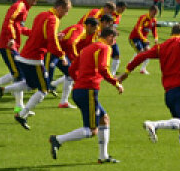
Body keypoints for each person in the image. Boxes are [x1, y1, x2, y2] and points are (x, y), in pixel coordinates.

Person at [120, 23, 180, 171]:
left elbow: (141, 56)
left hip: (169, 92)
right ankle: (154, 125)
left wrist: (127, 71)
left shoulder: (162, 46)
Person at [48, 25, 124, 163]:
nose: (114, 42)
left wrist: (79, 81)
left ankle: (103, 156)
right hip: (88, 90)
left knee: (104, 119)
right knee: (91, 130)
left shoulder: (88, 48)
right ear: (110, 37)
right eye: (114, 39)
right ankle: (58, 140)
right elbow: (103, 68)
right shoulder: (105, 48)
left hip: (80, 90)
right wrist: (116, 83)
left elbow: (71, 69)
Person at [8, 0, 72, 130]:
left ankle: (1, 90)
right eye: (66, 11)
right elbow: (51, 41)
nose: (66, 14)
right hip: (35, 57)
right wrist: (62, 55)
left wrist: (55, 36)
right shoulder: (54, 19)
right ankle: (21, 114)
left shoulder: (41, 14)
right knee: (44, 90)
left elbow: (38, 34)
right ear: (60, 8)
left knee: (30, 85)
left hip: (25, 55)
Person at [0, 0, 37, 107]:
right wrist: (12, 38)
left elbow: (20, 28)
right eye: (34, 0)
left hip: (12, 45)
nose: (35, 3)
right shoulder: (20, 6)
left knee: (17, 73)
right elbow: (8, 21)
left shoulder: (24, 8)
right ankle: (19, 107)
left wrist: (35, 33)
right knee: (19, 74)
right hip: (8, 44)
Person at [54, 15, 99, 109]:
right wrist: (75, 58)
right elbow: (70, 43)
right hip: (53, 52)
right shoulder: (81, 29)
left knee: (70, 74)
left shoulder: (86, 32)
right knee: (32, 85)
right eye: (94, 29)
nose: (95, 31)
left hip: (60, 53)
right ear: (89, 26)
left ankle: (63, 101)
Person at [129, 5, 160, 74]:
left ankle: (143, 69)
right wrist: (143, 39)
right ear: (150, 11)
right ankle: (130, 65)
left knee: (149, 52)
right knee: (141, 52)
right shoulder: (143, 17)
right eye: (154, 13)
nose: (155, 15)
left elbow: (154, 30)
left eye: (156, 14)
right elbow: (138, 29)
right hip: (135, 38)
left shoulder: (154, 20)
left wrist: (156, 38)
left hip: (143, 39)